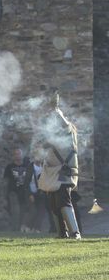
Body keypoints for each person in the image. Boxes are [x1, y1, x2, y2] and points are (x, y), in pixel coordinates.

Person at [35, 95, 81, 239]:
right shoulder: (55, 136)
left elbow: (64, 124)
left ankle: (75, 233)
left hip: (63, 172)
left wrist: (56, 109)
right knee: (54, 205)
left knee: (64, 203)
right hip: (52, 173)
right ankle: (62, 233)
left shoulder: (68, 130)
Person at [3, 148, 34, 232]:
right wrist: (5, 195)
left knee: (24, 211)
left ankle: (21, 228)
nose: (17, 156)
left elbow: (31, 179)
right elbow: (5, 181)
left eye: (19, 154)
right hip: (13, 192)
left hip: (25, 192)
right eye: (15, 154)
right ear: (13, 156)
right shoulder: (9, 167)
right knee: (15, 211)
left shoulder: (27, 165)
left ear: (22, 155)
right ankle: (15, 229)